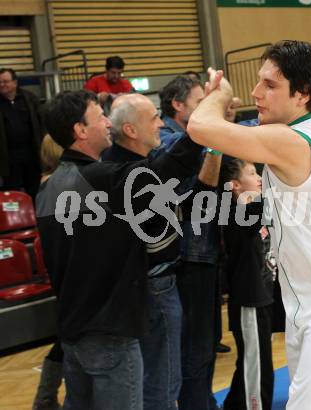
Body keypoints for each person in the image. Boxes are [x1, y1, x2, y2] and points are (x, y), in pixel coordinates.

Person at [187, 40, 311, 410]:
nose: (256, 93)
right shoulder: (308, 132)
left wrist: (219, 96)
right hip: (310, 301)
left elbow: (199, 126)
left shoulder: (291, 140)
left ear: (303, 94)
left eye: (270, 85)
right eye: (259, 82)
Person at [36, 90, 205, 410]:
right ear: (80, 131)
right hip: (109, 329)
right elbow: (166, 173)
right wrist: (200, 128)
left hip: (74, 330)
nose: (106, 122)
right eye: (98, 116)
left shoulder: (48, 186)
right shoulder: (100, 179)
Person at [102, 93, 222, 410]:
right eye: (153, 117)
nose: (159, 123)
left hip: (156, 283)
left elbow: (191, 205)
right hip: (152, 285)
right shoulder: (125, 172)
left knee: (158, 377)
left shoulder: (136, 165)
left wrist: (214, 146)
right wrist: (211, 118)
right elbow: (178, 161)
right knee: (163, 382)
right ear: (130, 129)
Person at [151, 75, 222, 410]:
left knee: (206, 347)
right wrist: (216, 140)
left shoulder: (190, 136)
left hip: (204, 249)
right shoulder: (165, 141)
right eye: (199, 103)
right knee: (194, 351)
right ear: (177, 105)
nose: (205, 112)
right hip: (186, 256)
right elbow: (194, 199)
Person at [220, 158, 275, 410]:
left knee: (253, 362)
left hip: (261, 297)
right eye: (252, 173)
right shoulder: (235, 214)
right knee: (257, 369)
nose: (259, 178)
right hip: (249, 301)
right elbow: (275, 200)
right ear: (235, 186)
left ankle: (233, 405)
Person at [32, 134, 64, 410]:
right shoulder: (52, 184)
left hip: (60, 265)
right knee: (68, 335)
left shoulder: (48, 182)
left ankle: (46, 396)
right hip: (62, 266)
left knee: (68, 334)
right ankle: (44, 396)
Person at [0, 67, 44, 199]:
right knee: (10, 192)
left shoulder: (30, 98)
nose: (2, 85)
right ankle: (13, 219)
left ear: (15, 82)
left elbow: (42, 123)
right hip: (7, 157)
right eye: (0, 82)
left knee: (35, 189)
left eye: (6, 81)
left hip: (31, 154)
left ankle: (36, 216)